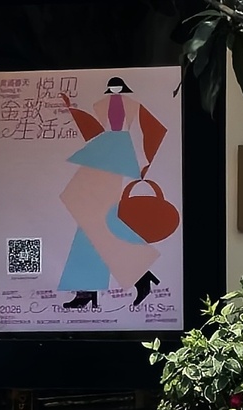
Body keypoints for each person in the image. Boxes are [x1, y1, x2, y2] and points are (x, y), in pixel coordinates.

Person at [56, 77, 169, 311]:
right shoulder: (101, 104)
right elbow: (94, 130)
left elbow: (155, 130)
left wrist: (145, 163)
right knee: (92, 220)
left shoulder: (132, 104)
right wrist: (72, 110)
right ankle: (138, 277)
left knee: (93, 219)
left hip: (116, 152)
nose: (115, 91)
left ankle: (89, 290)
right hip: (104, 149)